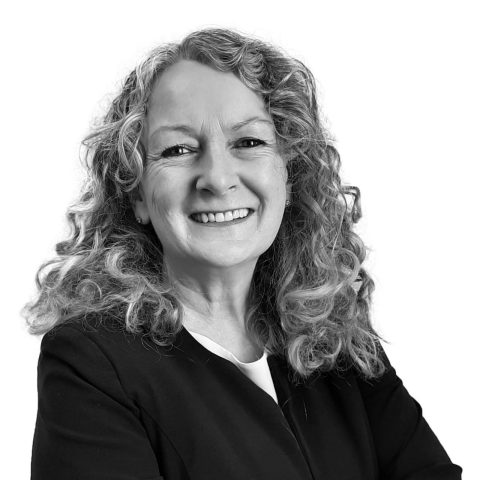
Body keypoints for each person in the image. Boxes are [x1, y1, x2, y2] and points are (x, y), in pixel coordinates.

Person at [23, 28, 462, 479]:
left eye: (248, 142)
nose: (217, 178)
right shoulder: (91, 363)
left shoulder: (335, 338)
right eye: (178, 149)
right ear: (137, 193)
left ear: (289, 173)